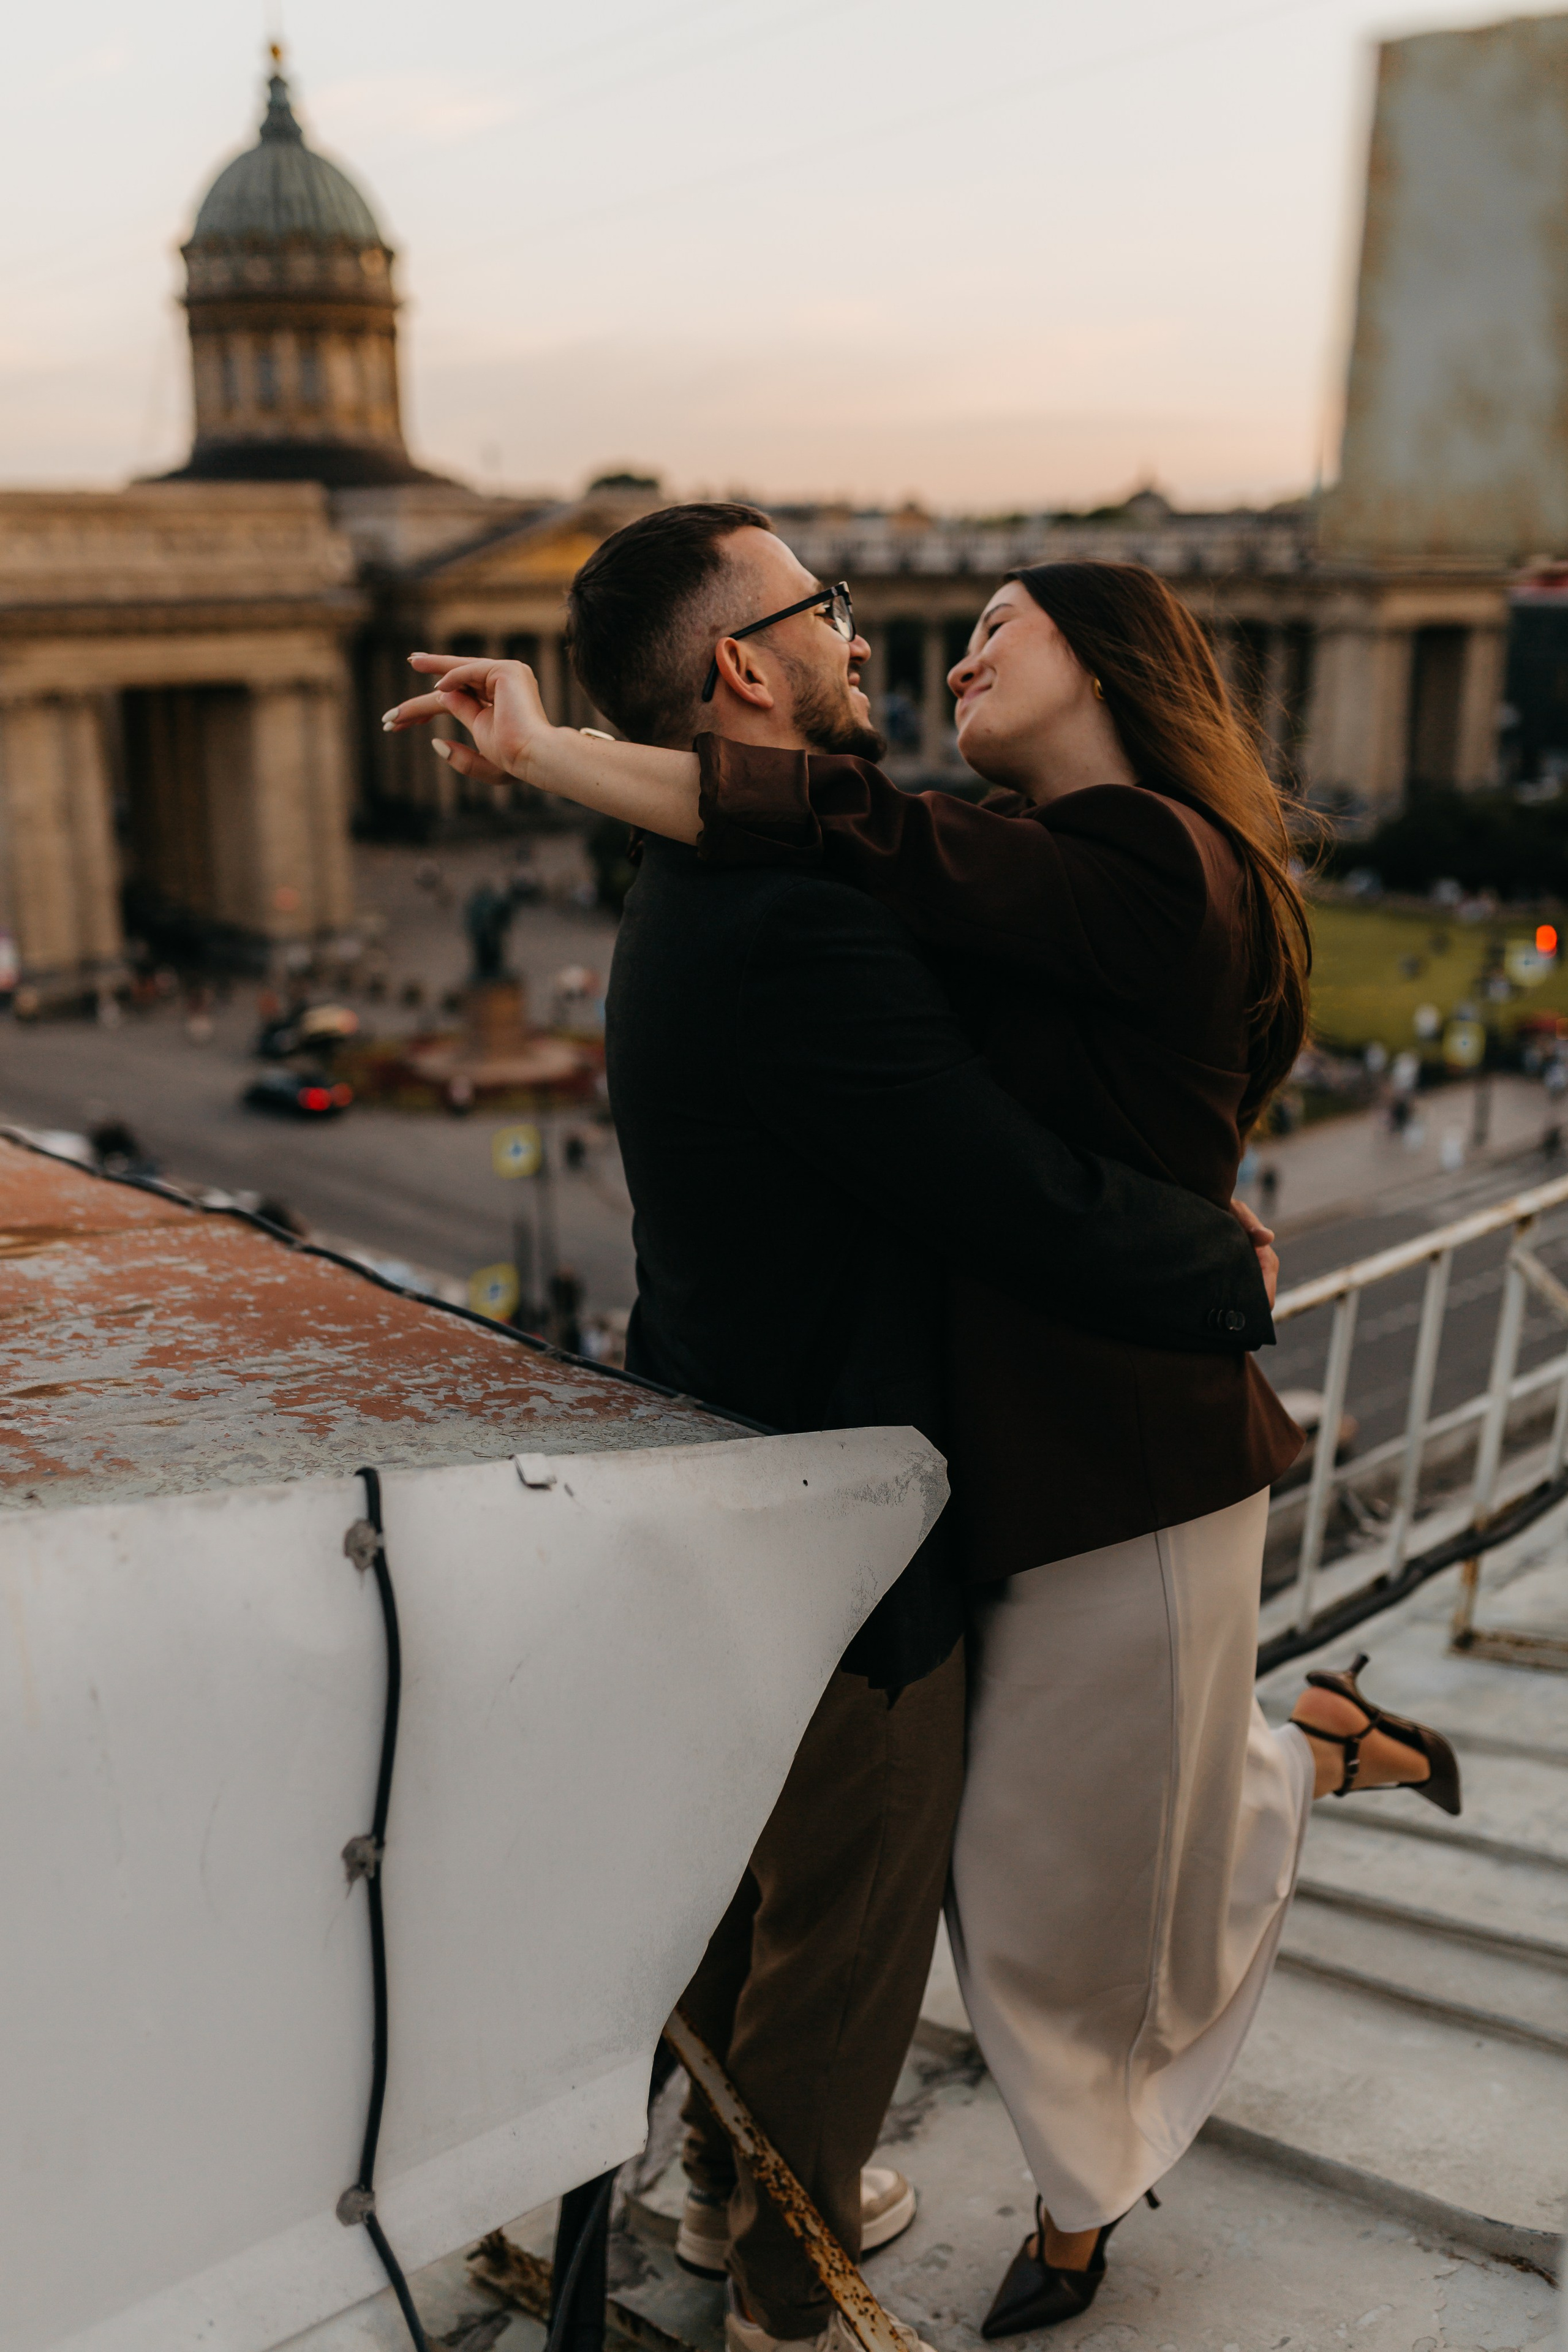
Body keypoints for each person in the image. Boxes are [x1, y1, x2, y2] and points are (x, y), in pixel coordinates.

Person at [386, 526, 1464, 2338]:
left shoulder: (803, 882)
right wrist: (1219, 1256)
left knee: (932, 1878)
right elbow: (1007, 1186)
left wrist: (561, 754)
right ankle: (788, 2297)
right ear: (746, 669)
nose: (892, 649)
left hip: (924, 1472)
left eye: (981, 632)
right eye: (837, 618)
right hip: (863, 1512)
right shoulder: (811, 906)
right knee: (872, 1928)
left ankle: (797, 2208)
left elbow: (868, 846)